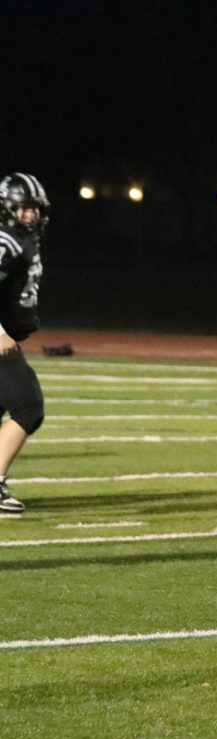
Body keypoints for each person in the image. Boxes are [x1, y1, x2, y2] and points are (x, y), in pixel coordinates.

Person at [0, 173, 50, 514]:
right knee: (28, 406)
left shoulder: (21, 238)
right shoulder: (6, 241)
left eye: (35, 209)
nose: (31, 215)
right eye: (23, 208)